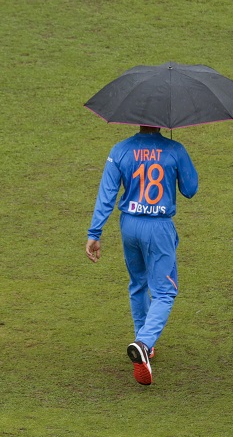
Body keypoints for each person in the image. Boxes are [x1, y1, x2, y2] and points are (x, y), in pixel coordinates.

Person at [85, 126, 198, 386]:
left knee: (138, 283)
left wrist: (95, 232)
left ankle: (143, 340)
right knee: (165, 292)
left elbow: (107, 193)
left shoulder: (120, 149)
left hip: (129, 226)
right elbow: (190, 189)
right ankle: (144, 344)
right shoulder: (175, 149)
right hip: (158, 228)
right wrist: (176, 161)